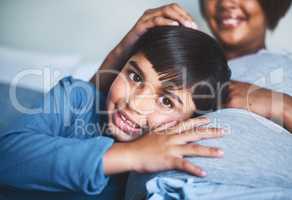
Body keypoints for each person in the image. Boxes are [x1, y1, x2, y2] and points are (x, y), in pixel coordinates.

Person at [0, 26, 231, 197]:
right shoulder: (77, 97)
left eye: (167, 101)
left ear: (190, 121)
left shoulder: (162, 178)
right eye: (135, 76)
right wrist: (131, 154)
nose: (135, 103)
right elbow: (7, 158)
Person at [96, 1, 292, 132]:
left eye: (166, 101)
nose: (226, 2)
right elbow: (81, 107)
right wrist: (124, 48)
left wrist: (284, 107)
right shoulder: (157, 52)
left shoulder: (283, 68)